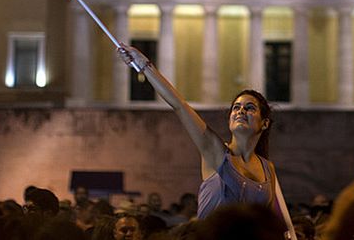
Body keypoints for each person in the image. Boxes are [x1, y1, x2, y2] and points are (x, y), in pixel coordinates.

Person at [119, 45, 294, 237]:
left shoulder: (268, 168)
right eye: (236, 108)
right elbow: (180, 105)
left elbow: (265, 225)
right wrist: (143, 64)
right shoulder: (217, 153)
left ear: (265, 123)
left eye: (249, 108)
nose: (241, 111)